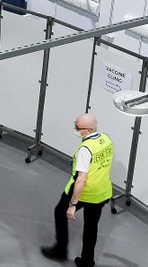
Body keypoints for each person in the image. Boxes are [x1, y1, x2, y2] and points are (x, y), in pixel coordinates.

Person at [41, 114, 113, 267]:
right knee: (91, 226)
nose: (76, 130)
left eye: (78, 128)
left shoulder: (85, 150)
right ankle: (87, 260)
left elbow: (81, 179)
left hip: (84, 192)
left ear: (88, 129)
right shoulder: (106, 139)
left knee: (60, 212)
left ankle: (60, 250)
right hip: (101, 192)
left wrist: (73, 204)